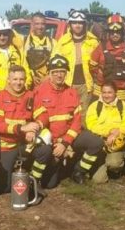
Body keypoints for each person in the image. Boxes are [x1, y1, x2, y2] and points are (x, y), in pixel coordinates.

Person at [33, 55, 104, 185]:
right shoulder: (39, 91)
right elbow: (40, 122)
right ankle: (56, 166)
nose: (59, 75)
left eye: (62, 72)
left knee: (96, 142)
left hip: (68, 137)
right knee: (50, 184)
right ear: (49, 73)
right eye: (55, 72)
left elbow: (76, 122)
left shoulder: (72, 92)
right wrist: (55, 144)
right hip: (50, 141)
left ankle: (79, 171)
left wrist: (65, 143)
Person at [0, 65, 52, 194]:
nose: (18, 83)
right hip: (6, 146)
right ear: (8, 80)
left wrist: (35, 128)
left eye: (21, 79)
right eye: (15, 79)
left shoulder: (31, 95)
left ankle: (33, 181)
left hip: (25, 143)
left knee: (45, 150)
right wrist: (22, 128)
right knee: (6, 188)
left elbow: (43, 115)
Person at [54, 10, 99, 119]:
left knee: (83, 115)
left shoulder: (93, 41)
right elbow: (54, 63)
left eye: (80, 23)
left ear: (84, 25)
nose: (78, 25)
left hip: (86, 85)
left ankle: (82, 135)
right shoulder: (62, 42)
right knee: (67, 113)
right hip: (68, 84)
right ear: (70, 25)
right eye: (75, 23)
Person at [85, 81, 125, 183]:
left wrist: (117, 133)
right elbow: (91, 125)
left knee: (114, 163)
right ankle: (100, 163)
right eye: (104, 92)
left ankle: (115, 169)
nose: (106, 95)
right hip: (99, 143)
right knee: (98, 180)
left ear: (115, 92)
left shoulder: (124, 106)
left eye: (109, 92)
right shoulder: (94, 106)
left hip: (116, 143)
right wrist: (109, 132)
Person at [90, 14, 125, 102]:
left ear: (122, 32)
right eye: (112, 32)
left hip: (122, 94)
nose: (115, 34)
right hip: (102, 92)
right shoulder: (100, 47)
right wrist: (100, 76)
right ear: (108, 32)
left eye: (118, 32)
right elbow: (92, 67)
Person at [23, 12, 56, 87]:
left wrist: (47, 78)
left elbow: (55, 65)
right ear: (32, 25)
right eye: (37, 24)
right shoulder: (24, 42)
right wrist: (31, 76)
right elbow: (22, 63)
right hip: (29, 84)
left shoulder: (53, 43)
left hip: (48, 84)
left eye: (42, 24)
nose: (40, 27)